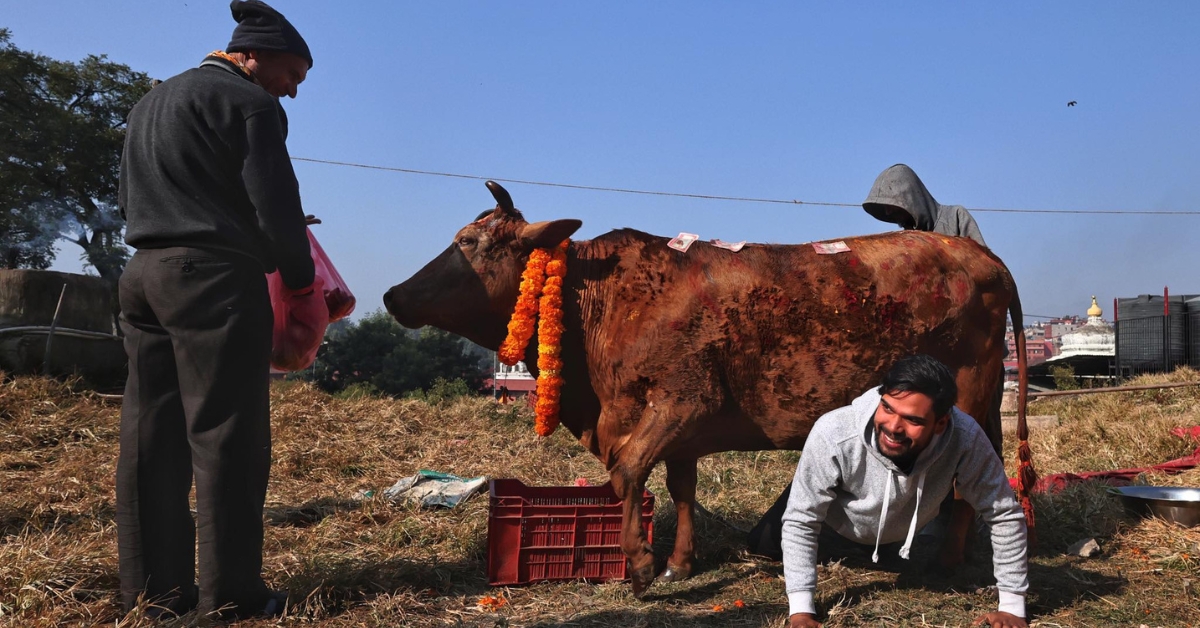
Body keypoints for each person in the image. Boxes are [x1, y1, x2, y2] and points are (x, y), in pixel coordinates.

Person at [115, 0, 315, 618]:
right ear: (252, 55)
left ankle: (151, 595)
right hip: (211, 280)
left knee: (151, 439)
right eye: (293, 76)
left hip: (143, 274)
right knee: (228, 438)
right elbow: (276, 206)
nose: (292, 92)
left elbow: (131, 195)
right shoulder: (251, 104)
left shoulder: (151, 102)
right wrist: (304, 286)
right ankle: (229, 598)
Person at [781, 355, 1029, 628]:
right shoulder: (834, 431)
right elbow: (800, 520)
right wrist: (801, 612)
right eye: (887, 408)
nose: (893, 427)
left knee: (918, 555)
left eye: (912, 419)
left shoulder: (966, 438)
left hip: (909, 524)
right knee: (764, 541)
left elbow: (1005, 514)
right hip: (835, 523)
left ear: (941, 423)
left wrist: (1012, 606)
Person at [861, 163, 986, 247]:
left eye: (891, 205)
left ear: (908, 198)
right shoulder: (904, 243)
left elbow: (984, 264)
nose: (888, 212)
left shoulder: (956, 217)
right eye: (884, 207)